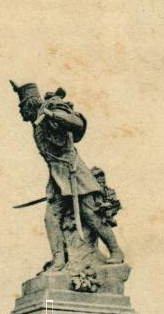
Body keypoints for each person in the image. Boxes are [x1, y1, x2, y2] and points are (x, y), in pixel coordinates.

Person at [10, 81, 124, 271]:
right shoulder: (35, 123)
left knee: (91, 214)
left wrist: (53, 115)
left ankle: (116, 251)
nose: (21, 114)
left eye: (22, 109)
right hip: (57, 178)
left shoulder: (51, 110)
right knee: (51, 218)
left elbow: (77, 123)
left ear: (29, 104)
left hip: (75, 173)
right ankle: (59, 260)